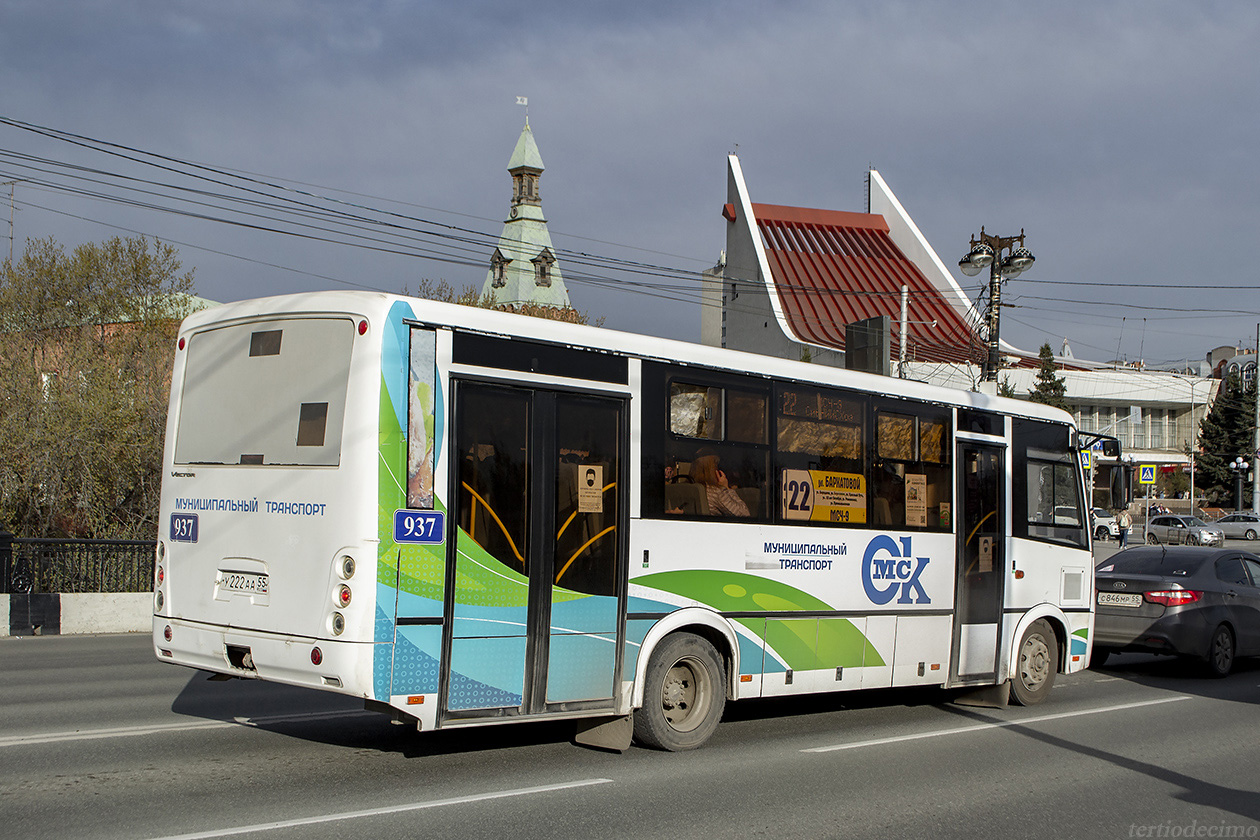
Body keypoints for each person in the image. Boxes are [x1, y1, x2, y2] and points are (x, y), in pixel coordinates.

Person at [690, 450, 750, 517]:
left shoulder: (688, 488)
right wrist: (726, 488)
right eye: (716, 465)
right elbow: (744, 514)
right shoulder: (715, 492)